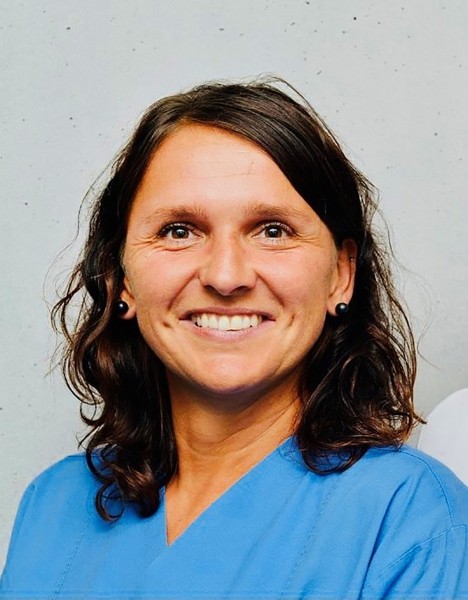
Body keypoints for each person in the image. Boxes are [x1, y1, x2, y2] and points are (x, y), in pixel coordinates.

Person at [1, 78, 467, 599]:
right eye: (179, 230)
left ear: (341, 274)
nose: (226, 276)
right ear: (120, 278)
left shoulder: (411, 517)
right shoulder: (53, 505)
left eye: (273, 230)